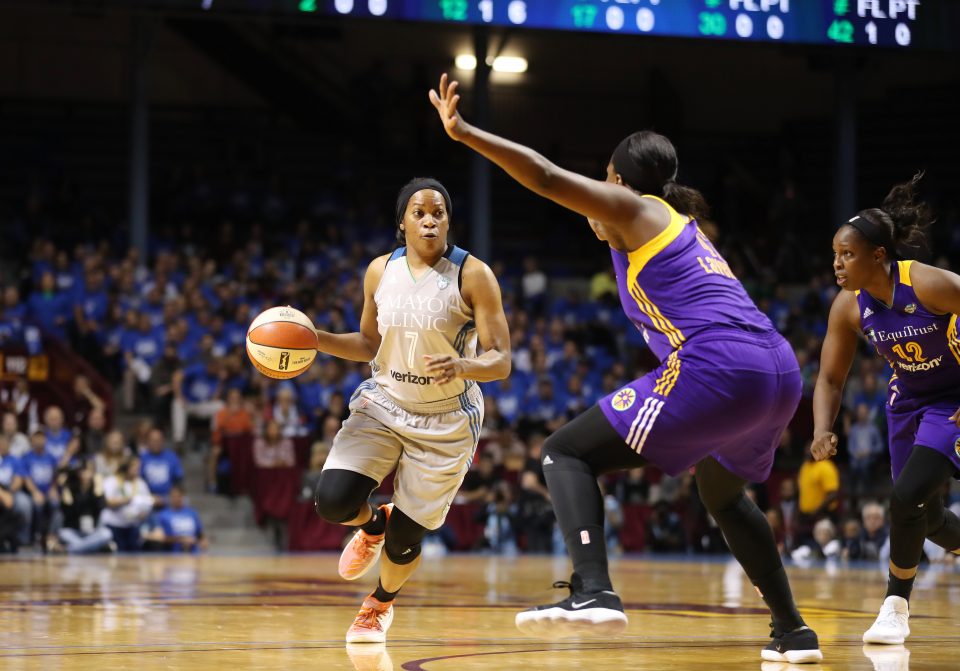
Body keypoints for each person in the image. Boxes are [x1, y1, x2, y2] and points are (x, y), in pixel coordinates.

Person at [429, 73, 820, 663]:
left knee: (565, 452)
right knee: (722, 494)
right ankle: (793, 630)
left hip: (720, 364)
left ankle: (592, 588)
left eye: (603, 180)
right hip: (779, 370)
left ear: (614, 180)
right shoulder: (675, 228)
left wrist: (465, 134)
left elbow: (546, 177)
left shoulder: (638, 208)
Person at [312, 177, 511, 644]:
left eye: (438, 213)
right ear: (402, 222)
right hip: (385, 402)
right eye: (419, 212)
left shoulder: (473, 275)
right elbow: (368, 344)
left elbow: (501, 360)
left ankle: (379, 604)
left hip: (446, 417)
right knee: (333, 501)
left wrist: (464, 365)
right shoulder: (380, 271)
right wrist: (315, 339)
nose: (429, 221)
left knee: (405, 541)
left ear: (448, 221)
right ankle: (372, 525)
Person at [812, 173, 960, 645]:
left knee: (905, 498)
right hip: (908, 399)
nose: (837, 263)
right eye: (835, 254)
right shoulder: (848, 307)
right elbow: (830, 378)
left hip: (952, 398)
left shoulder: (928, 283)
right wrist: (821, 428)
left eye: (847, 254)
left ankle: (895, 607)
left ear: (878, 256)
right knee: (925, 516)